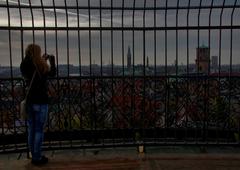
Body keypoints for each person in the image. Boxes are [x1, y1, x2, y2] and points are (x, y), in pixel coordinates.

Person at [20, 44, 56, 165]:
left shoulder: (24, 65)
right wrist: (51, 61)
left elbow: (31, 72)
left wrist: (39, 58)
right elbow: (52, 74)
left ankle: (33, 154)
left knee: (31, 130)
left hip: (30, 101)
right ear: (37, 53)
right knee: (39, 130)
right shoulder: (41, 65)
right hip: (41, 101)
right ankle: (37, 157)